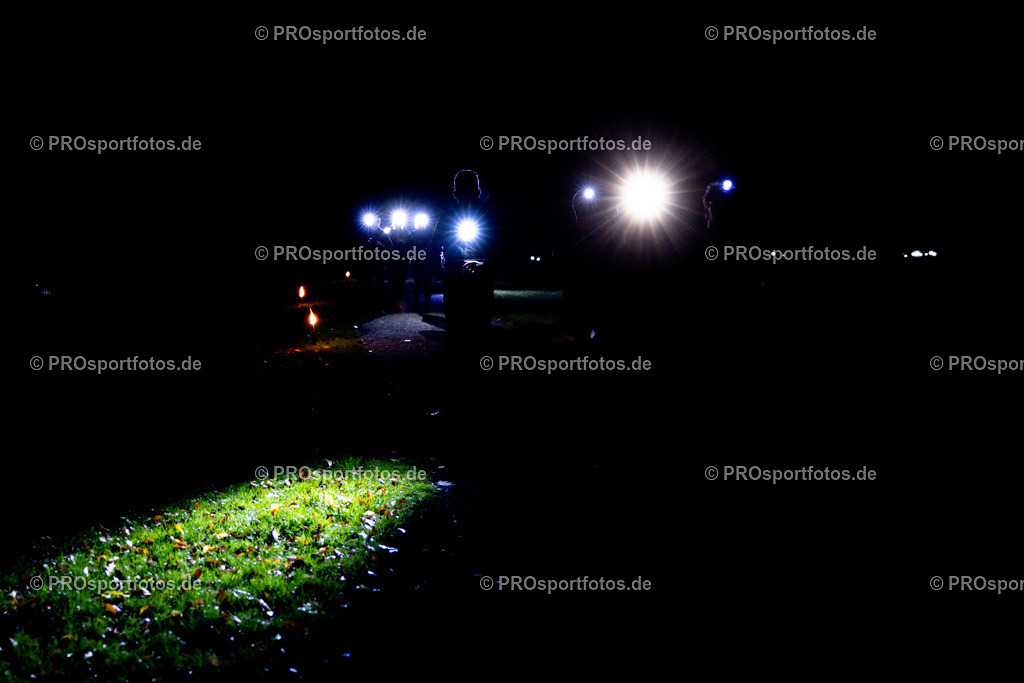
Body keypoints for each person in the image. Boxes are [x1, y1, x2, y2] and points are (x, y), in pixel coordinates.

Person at [438, 169, 493, 331]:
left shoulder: (489, 216)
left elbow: (505, 249)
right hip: (456, 278)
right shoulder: (447, 216)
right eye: (464, 192)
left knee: (477, 321)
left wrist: (486, 264)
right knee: (459, 322)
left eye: (469, 191)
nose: (467, 196)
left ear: (478, 192)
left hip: (479, 279)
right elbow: (434, 244)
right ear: (456, 194)